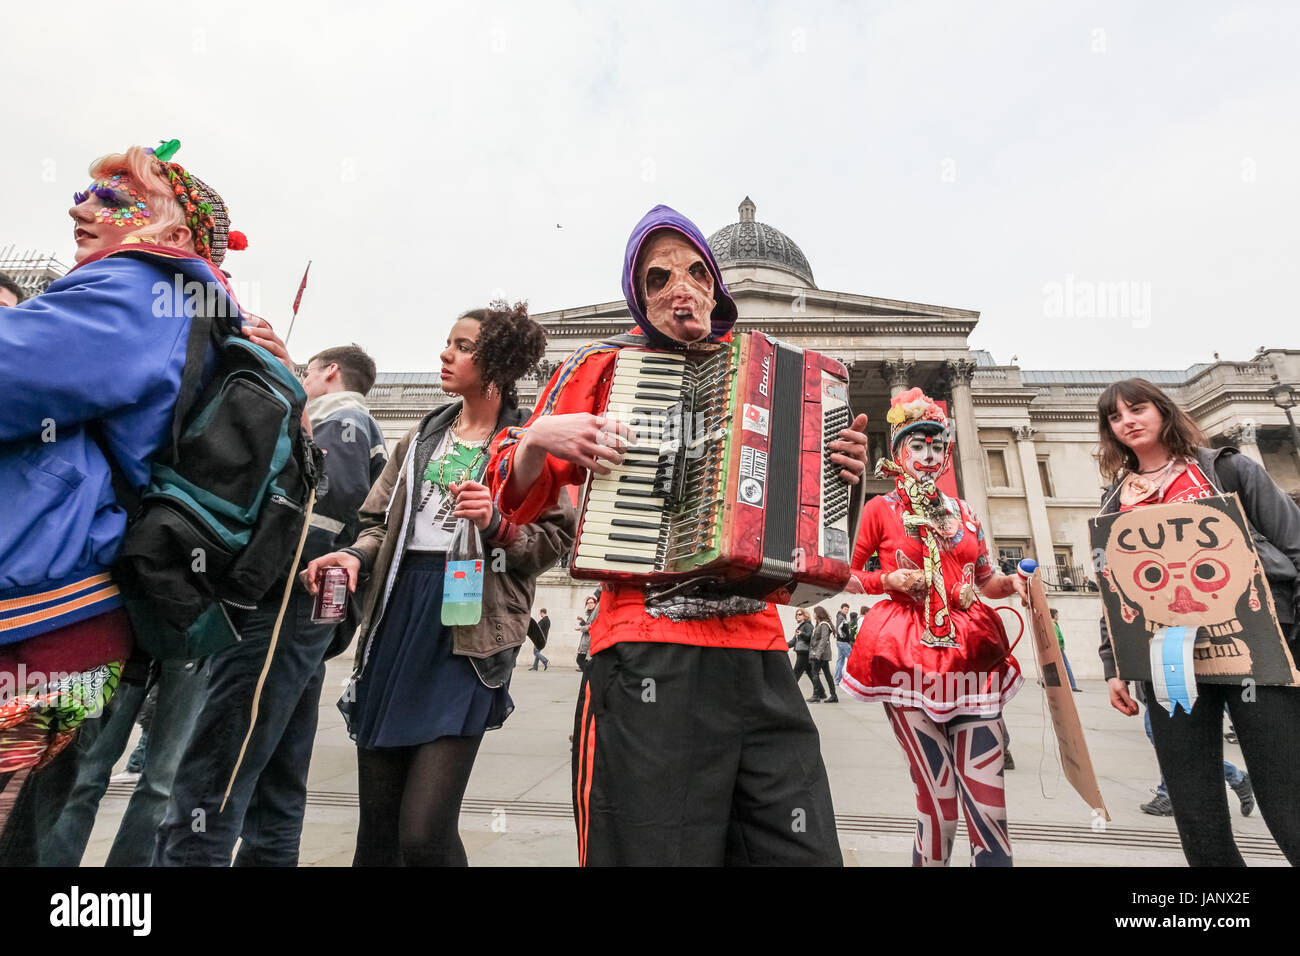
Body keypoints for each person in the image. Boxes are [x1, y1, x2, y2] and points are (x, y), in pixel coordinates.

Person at [487, 204, 871, 866]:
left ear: (717, 285)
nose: (680, 287)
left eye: (696, 271)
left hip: (758, 656)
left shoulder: (776, 378)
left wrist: (840, 479)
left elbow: (807, 536)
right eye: (657, 277)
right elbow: (510, 500)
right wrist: (536, 435)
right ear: (637, 297)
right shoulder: (604, 364)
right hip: (646, 654)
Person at [0, 140, 276, 864]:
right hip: (70, 622)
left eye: (116, 197)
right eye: (90, 192)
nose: (80, 205)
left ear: (175, 234)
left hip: (39, 621)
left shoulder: (138, 287)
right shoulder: (172, 301)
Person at [303, 301, 572, 867]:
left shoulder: (528, 444)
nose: (445, 354)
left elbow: (554, 542)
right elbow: (377, 525)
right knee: (377, 835)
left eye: (462, 345)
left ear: (496, 361)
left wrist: (497, 524)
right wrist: (353, 556)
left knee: (423, 834)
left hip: (467, 627)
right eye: (448, 342)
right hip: (397, 615)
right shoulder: (419, 440)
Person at [153, 343, 387, 866]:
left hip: (280, 607)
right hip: (304, 614)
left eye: (305, 371)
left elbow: (316, 516)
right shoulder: (348, 425)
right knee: (276, 785)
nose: (300, 380)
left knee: (216, 772)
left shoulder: (340, 419)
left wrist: (245, 579)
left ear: (330, 372)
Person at [1096, 378, 1298, 865]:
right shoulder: (1115, 500)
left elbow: (1294, 545)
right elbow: (1115, 586)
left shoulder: (1228, 469)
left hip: (1254, 649)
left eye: (1138, 408)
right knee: (1194, 804)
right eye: (1116, 416)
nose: (1128, 420)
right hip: (1167, 659)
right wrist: (1114, 663)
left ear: (1163, 411)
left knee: (1285, 792)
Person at [841, 388, 1027, 867]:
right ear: (900, 451)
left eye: (936, 446)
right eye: (917, 445)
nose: (928, 455)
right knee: (938, 798)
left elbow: (987, 581)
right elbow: (845, 573)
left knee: (989, 804)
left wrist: (1017, 583)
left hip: (971, 655)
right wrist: (889, 579)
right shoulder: (880, 510)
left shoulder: (965, 513)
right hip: (908, 653)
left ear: (947, 452)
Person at [807, 607, 838, 703]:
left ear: (819, 613)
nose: (814, 615)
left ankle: (816, 695)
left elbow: (824, 640)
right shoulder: (820, 624)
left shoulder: (824, 625)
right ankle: (833, 696)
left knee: (814, 673)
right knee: (827, 675)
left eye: (815, 613)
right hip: (822, 654)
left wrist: (817, 654)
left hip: (820, 654)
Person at [1050, 609, 1081, 693]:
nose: (1058, 616)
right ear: (1054, 615)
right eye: (1057, 614)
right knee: (1067, 666)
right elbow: (1056, 637)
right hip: (1059, 648)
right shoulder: (1053, 624)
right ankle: (1073, 686)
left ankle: (1044, 679)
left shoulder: (1053, 624)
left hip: (1058, 648)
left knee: (1056, 666)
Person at [788, 608, 817, 696]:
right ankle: (820, 692)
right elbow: (793, 641)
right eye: (797, 614)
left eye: (800, 614)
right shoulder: (800, 626)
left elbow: (809, 637)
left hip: (804, 653)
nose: (798, 616)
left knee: (796, 672)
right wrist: (782, 645)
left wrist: (801, 634)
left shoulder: (808, 625)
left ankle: (789, 692)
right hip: (801, 652)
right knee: (811, 673)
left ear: (805, 616)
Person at [835, 610, 857, 685]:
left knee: (840, 661)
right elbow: (838, 629)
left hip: (842, 642)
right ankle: (851, 680)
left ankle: (837, 679)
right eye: (845, 609)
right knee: (852, 660)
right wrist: (843, 636)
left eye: (847, 609)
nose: (846, 610)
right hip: (845, 643)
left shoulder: (847, 621)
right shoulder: (842, 618)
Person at [575, 596, 596, 672]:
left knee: (580, 660)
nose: (589, 604)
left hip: (589, 641)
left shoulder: (595, 613)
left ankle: (590, 676)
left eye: (591, 602)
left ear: (595, 603)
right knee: (581, 660)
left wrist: (580, 628)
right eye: (588, 603)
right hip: (586, 640)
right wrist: (582, 621)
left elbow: (592, 626)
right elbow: (588, 624)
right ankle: (588, 676)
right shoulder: (591, 613)